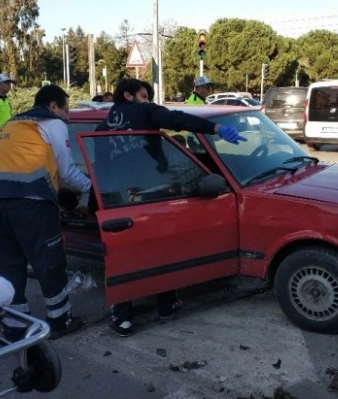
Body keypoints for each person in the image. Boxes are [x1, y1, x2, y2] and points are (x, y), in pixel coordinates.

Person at [96, 78, 246, 337]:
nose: (148, 100)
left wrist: (101, 205)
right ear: (129, 96)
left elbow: (101, 171)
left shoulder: (100, 129)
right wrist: (216, 128)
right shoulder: (145, 111)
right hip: (153, 195)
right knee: (159, 249)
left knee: (124, 257)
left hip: (119, 201)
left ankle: (123, 318)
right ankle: (166, 305)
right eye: (145, 95)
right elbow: (178, 119)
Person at [0, 84, 91, 340]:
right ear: (53, 106)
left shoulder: (12, 124)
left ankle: (15, 326)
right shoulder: (51, 123)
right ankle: (60, 320)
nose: (68, 117)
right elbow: (67, 171)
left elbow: (25, 165)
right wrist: (95, 189)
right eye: (66, 110)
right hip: (28, 204)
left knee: (7, 263)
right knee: (49, 261)